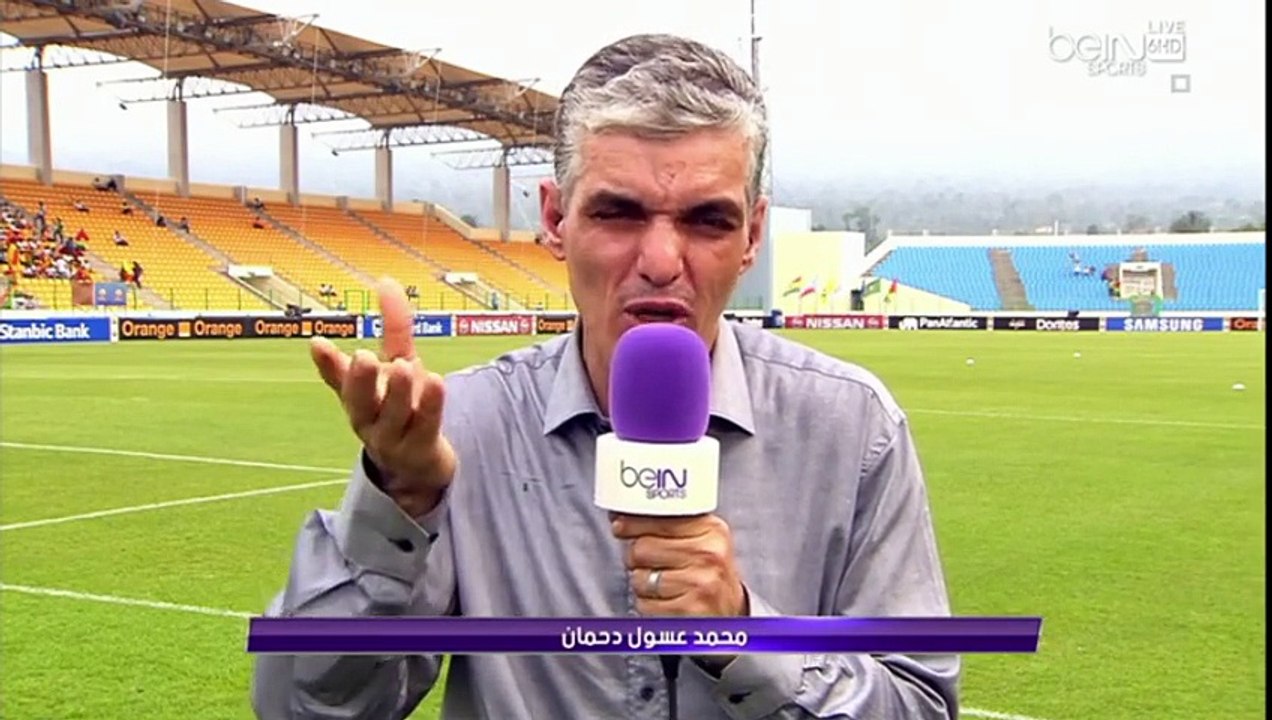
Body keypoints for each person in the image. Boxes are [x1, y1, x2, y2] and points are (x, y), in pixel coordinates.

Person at [251, 33, 958, 720]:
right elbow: (304, 706)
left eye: (708, 220)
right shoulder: (461, 430)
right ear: (556, 219)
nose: (659, 259)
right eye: (618, 213)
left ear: (752, 236)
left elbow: (920, 704)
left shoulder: (852, 428)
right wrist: (400, 500)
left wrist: (745, 633)